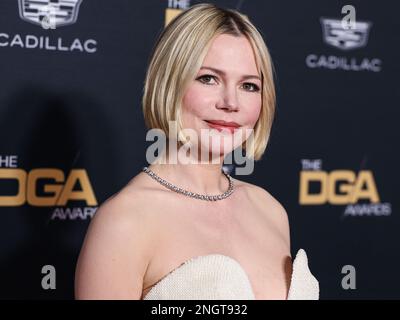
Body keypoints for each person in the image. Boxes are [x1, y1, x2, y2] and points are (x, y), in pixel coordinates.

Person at [74, 3, 319, 300]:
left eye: (249, 86)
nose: (231, 102)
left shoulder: (270, 210)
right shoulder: (125, 222)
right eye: (208, 79)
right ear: (170, 84)